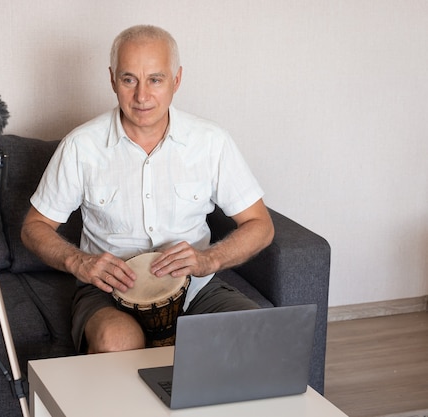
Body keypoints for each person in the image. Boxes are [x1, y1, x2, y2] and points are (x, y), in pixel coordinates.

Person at [21, 25, 274, 354]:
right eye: (129, 80)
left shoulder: (212, 142)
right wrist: (78, 262)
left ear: (176, 80)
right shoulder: (81, 147)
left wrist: (208, 259)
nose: (142, 96)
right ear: (113, 80)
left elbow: (261, 225)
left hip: (194, 289)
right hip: (107, 292)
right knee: (117, 340)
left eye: (155, 79)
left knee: (257, 331)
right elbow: (33, 227)